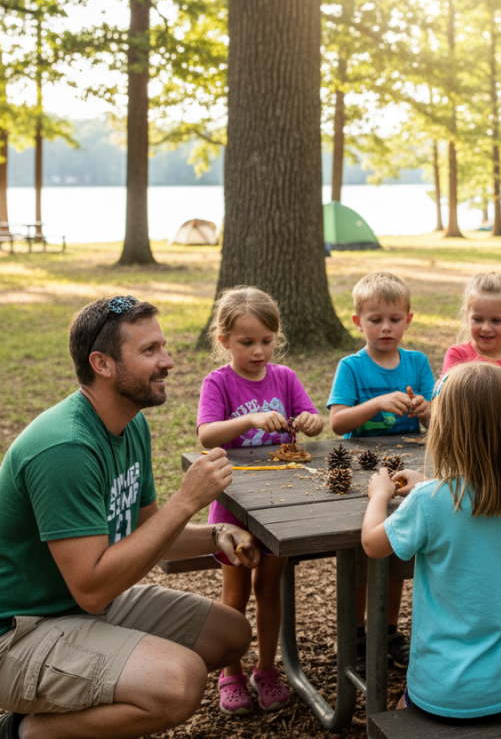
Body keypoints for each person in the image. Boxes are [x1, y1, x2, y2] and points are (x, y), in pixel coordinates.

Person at [0, 296, 261, 739]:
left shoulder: (129, 423)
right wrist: (186, 500)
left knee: (230, 634)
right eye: (150, 351)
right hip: (11, 637)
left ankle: (99, 691)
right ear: (102, 363)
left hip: (80, 608)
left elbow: (149, 533)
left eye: (163, 346)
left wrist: (217, 534)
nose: (168, 361)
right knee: (180, 682)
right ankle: (24, 733)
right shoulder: (67, 449)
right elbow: (93, 588)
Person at [362, 361, 501, 721]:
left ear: (445, 429)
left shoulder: (429, 502)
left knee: (400, 713)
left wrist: (379, 496)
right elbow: (475, 496)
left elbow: (373, 544)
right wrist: (430, 482)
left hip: (447, 692)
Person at [197, 287, 323, 715]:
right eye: (247, 342)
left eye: (266, 341)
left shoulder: (285, 378)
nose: (258, 351)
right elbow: (206, 434)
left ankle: (266, 668)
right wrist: (248, 419)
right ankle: (230, 672)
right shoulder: (219, 382)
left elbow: (314, 421)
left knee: (269, 589)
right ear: (224, 341)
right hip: (233, 505)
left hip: (279, 504)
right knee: (234, 595)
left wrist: (309, 420)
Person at [327, 272, 435, 674]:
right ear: (358, 322)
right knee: (360, 557)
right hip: (363, 475)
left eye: (394, 318)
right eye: (375, 319)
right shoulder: (352, 367)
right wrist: (376, 404)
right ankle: (355, 636)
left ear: (408, 319)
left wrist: (427, 411)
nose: (385, 327)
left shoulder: (418, 362)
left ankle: (388, 631)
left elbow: (436, 419)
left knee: (397, 552)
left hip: (408, 475)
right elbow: (338, 423)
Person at [441, 272, 501, 380]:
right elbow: (443, 394)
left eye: (496, 320)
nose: (486, 328)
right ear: (467, 317)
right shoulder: (457, 356)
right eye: (478, 319)